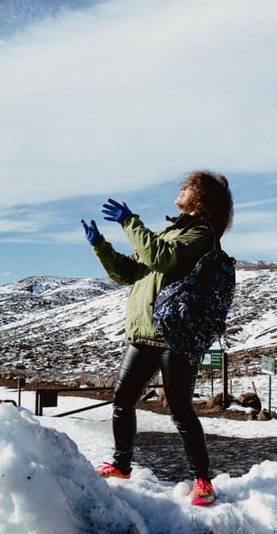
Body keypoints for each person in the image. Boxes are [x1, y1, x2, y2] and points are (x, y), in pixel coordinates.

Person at [81, 170, 233, 507]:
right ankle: (121, 466)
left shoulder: (201, 233)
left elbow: (162, 258)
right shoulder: (169, 232)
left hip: (177, 335)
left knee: (180, 409)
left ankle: (203, 481)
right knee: (122, 400)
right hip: (145, 332)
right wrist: (100, 246)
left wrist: (129, 222)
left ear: (203, 199)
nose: (181, 187)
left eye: (189, 185)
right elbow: (127, 273)